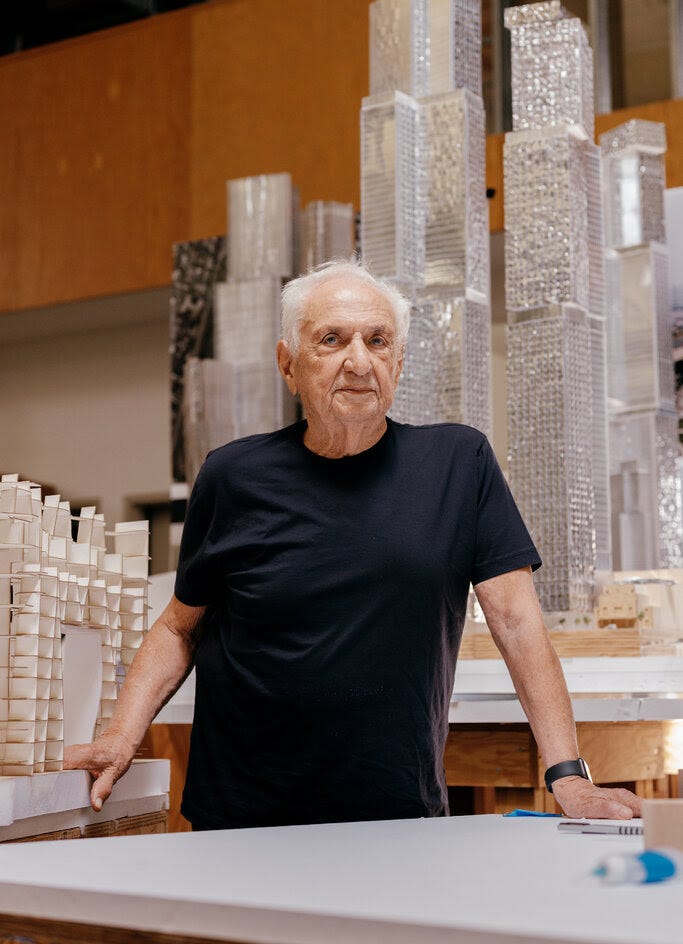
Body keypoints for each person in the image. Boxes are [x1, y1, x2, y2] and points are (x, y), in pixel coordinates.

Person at [65, 260, 641, 827]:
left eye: (377, 340)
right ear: (288, 365)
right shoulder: (233, 476)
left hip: (394, 814)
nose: (358, 361)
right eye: (332, 340)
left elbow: (516, 621)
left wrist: (568, 773)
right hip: (241, 819)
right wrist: (121, 735)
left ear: (399, 359)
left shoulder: (458, 465)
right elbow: (178, 626)